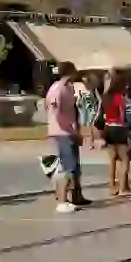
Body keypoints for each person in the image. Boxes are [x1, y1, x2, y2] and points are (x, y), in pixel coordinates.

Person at [46, 61, 83, 214]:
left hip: (70, 131)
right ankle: (61, 201)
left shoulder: (69, 88)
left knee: (73, 166)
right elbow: (56, 111)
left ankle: (70, 197)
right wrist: (69, 129)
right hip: (62, 132)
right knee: (69, 166)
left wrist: (75, 131)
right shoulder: (57, 88)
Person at [100, 70, 131, 195]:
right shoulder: (119, 97)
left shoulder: (105, 97)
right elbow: (122, 116)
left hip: (108, 128)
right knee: (125, 159)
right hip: (119, 128)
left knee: (112, 158)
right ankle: (123, 188)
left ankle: (112, 186)